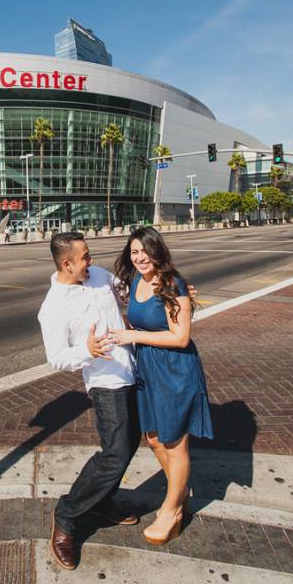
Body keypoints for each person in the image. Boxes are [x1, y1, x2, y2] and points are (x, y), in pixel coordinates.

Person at [38, 231, 141, 570]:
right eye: (84, 257)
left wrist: (165, 293)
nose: (91, 261)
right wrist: (87, 350)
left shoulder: (98, 276)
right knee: (116, 453)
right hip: (104, 380)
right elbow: (55, 357)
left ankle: (103, 499)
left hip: (132, 368)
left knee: (132, 440)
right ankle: (67, 515)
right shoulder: (53, 307)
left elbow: (127, 292)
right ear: (67, 263)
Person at [108, 227, 214, 546]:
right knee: (154, 438)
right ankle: (179, 492)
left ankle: (171, 510)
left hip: (175, 369)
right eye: (134, 252)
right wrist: (121, 329)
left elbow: (180, 337)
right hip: (149, 369)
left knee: (174, 442)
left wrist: (133, 336)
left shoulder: (172, 283)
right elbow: (141, 321)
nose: (140, 258)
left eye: (145, 251)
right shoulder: (137, 281)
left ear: (158, 251)